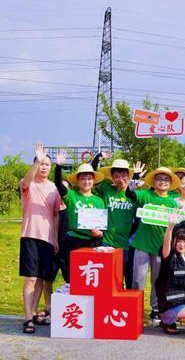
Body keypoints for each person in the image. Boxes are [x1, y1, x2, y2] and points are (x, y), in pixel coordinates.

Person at [129, 166, 181, 326]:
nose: (163, 182)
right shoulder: (146, 195)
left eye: (166, 179)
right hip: (142, 245)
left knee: (157, 281)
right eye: (159, 179)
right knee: (138, 279)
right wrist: (136, 176)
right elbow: (129, 194)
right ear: (154, 181)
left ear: (171, 182)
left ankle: (155, 310)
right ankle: (133, 309)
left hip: (161, 248)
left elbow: (177, 227)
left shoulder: (173, 203)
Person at [19, 143, 61, 334]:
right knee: (30, 279)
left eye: (46, 164)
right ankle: (27, 318)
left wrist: (56, 239)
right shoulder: (28, 184)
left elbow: (55, 215)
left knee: (42, 280)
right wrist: (36, 160)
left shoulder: (53, 188)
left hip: (48, 239)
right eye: (40, 163)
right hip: (30, 236)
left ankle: (35, 313)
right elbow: (26, 181)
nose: (43, 167)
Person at [54, 151, 106, 293]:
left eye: (89, 178)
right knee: (73, 277)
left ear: (93, 181)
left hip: (93, 242)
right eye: (83, 178)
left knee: (91, 277)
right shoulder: (71, 196)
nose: (86, 181)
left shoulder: (99, 200)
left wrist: (100, 233)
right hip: (74, 241)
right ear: (78, 181)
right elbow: (58, 184)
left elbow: (101, 223)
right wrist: (58, 166)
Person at [92, 154, 143, 289]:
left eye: (123, 175)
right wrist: (98, 158)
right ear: (112, 177)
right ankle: (111, 307)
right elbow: (93, 177)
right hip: (108, 242)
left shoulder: (135, 194)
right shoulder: (107, 188)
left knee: (129, 278)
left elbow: (139, 219)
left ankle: (128, 308)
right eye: (116, 176)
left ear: (129, 176)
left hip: (128, 243)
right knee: (110, 280)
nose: (120, 179)